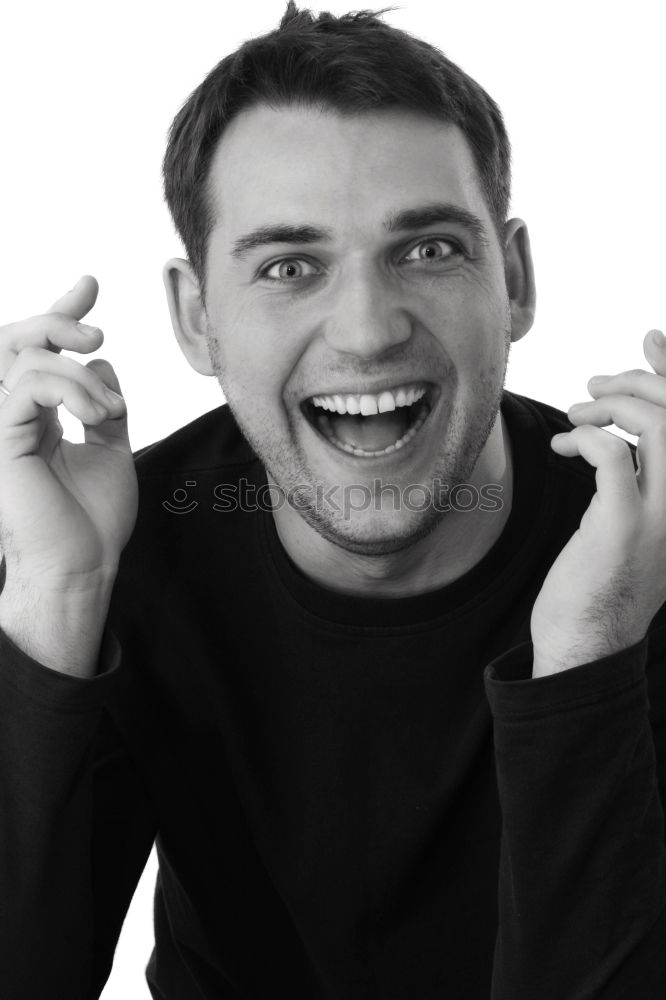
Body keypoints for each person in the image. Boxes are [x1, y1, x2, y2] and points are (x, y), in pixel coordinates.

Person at [1, 3, 665, 998]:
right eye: (289, 266)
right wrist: (54, 603)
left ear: (515, 279)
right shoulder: (120, 542)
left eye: (429, 249)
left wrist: (591, 657)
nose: (363, 330)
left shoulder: (641, 549)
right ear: (196, 317)